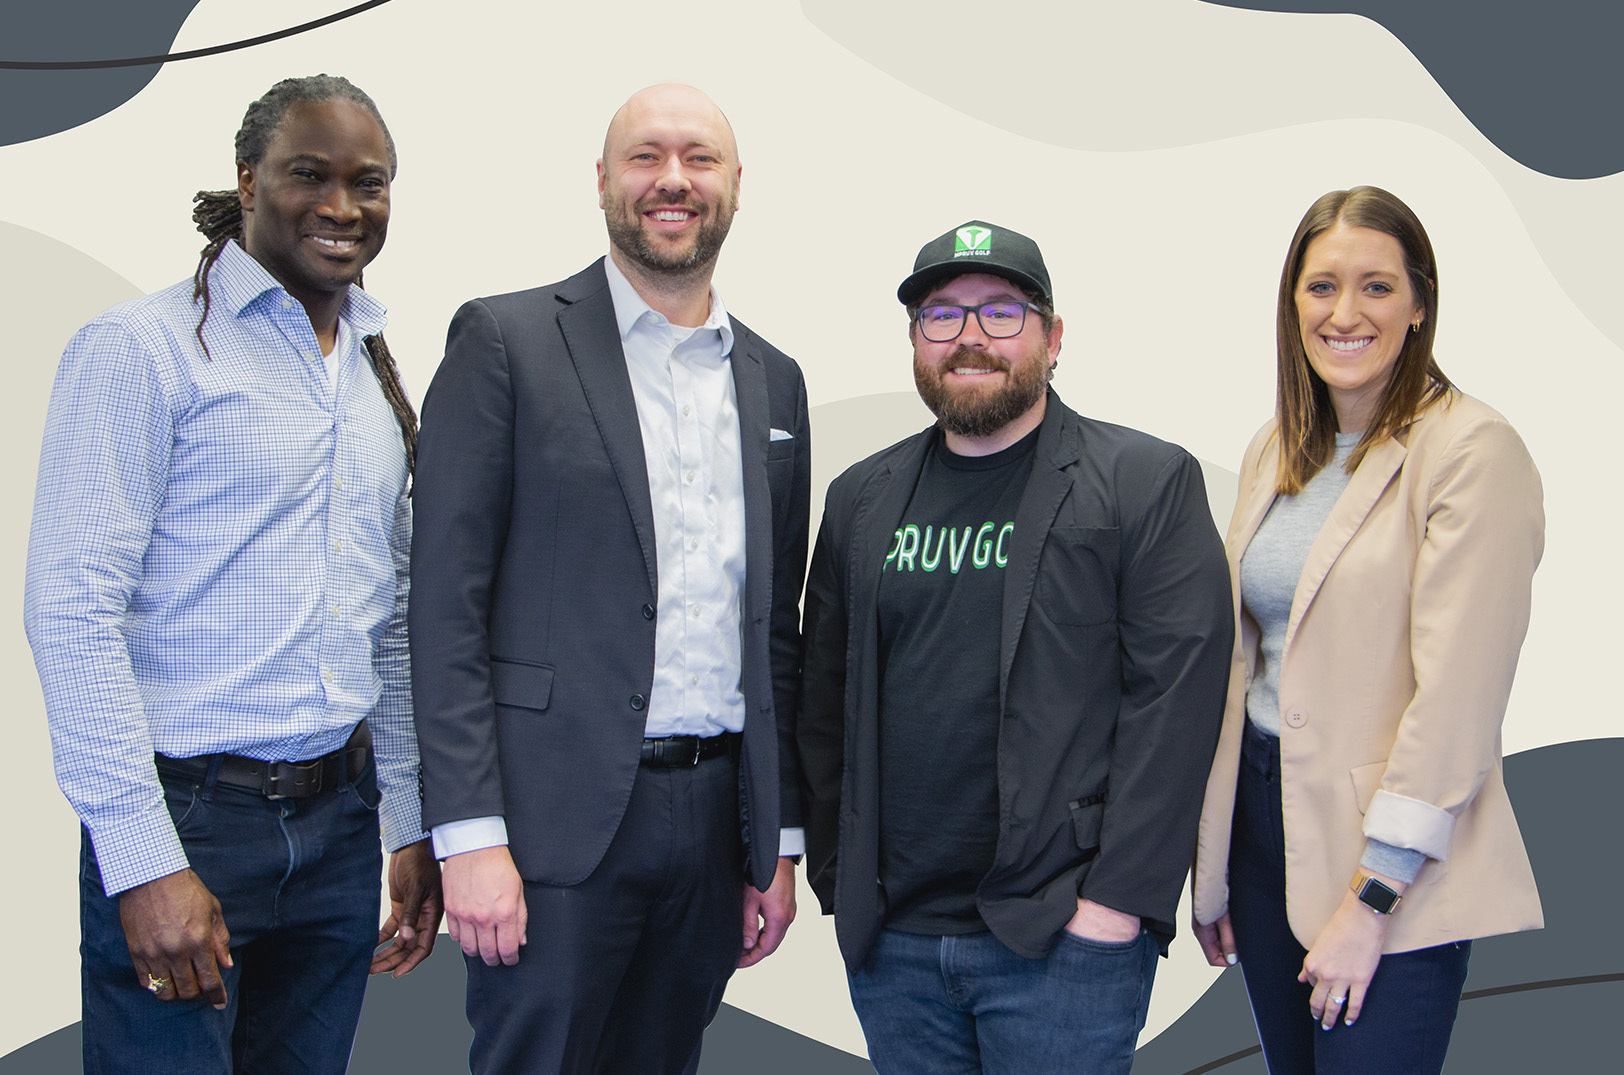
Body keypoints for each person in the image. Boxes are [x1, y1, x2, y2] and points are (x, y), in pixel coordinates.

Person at [23, 74, 441, 1074]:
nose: (343, 206)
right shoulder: (145, 350)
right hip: (190, 822)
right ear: (247, 179)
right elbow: (73, 612)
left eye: (369, 182)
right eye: (310, 174)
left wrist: (409, 818)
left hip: (340, 829)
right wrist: (143, 860)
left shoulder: (373, 369)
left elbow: (390, 622)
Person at [409, 83, 809, 1075]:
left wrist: (778, 840)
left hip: (715, 827)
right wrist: (467, 837)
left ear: (734, 187)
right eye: (644, 156)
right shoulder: (505, 343)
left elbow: (776, 634)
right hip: (549, 831)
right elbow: (443, 608)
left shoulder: (775, 379)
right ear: (601, 181)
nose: (672, 179)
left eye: (698, 159)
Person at [797, 220, 1233, 1074]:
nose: (969, 338)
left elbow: (1176, 706)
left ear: (1053, 336)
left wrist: (1113, 904)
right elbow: (823, 697)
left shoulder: (1145, 482)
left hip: (1061, 943)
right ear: (916, 341)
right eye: (941, 315)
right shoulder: (859, 497)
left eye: (1001, 312)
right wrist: (839, 876)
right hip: (897, 947)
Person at [1191, 186, 1544, 1073]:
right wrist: (1219, 862)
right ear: (1292, 303)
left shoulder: (1472, 449)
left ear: (1420, 302)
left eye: (1377, 287)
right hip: (1266, 834)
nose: (1345, 313)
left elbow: (1458, 697)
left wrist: (1373, 898)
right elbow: (1246, 659)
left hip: (1390, 861)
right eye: (1321, 288)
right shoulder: (1275, 449)